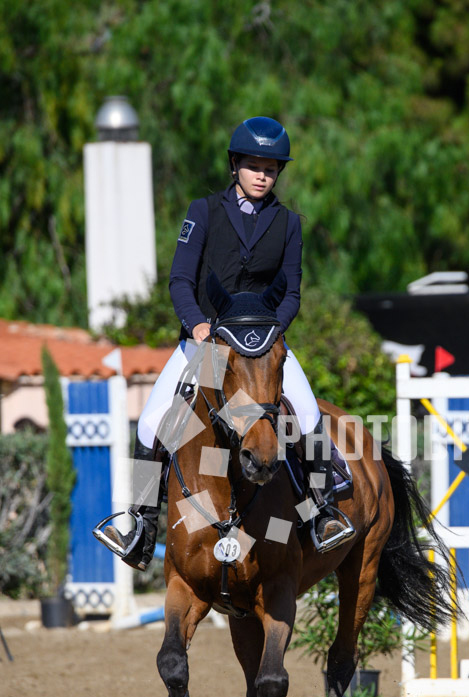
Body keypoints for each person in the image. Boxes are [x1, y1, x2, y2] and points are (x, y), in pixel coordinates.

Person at [95, 116, 354, 569]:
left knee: (309, 415)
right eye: (254, 166)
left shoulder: (288, 223)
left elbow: (292, 293)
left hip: (262, 349)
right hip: (209, 346)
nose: (262, 175)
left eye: (271, 169)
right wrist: (196, 324)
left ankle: (322, 514)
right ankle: (139, 523)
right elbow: (180, 279)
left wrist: (274, 333)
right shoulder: (203, 212)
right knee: (152, 423)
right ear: (235, 165)